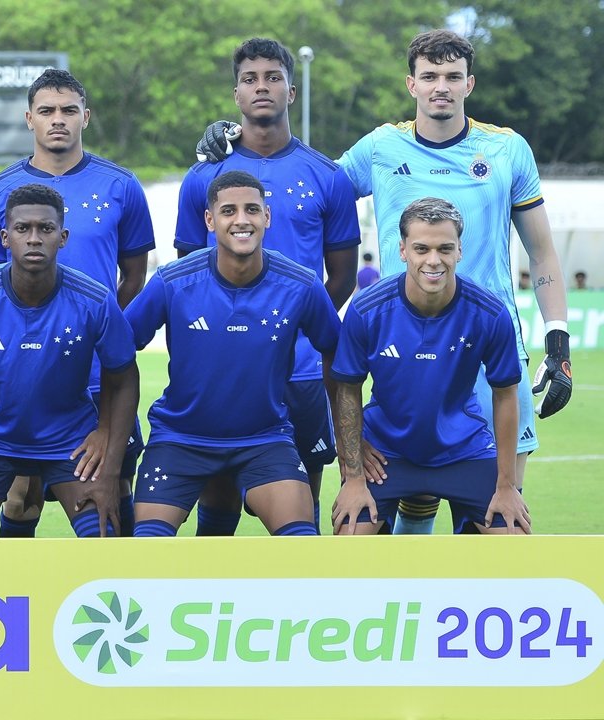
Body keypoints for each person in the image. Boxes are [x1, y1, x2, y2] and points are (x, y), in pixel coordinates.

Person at [195, 30, 572, 534]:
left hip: (487, 345)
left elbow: (542, 251)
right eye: (431, 76)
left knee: (500, 507)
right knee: (410, 505)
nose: (442, 86)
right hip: (402, 347)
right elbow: (307, 190)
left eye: (453, 77)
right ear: (411, 83)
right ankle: (408, 610)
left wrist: (558, 335)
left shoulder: (507, 150)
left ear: (470, 84)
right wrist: (240, 140)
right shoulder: (380, 146)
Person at [174, 38, 359, 536]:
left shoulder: (328, 176)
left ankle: (304, 602)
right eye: (251, 79)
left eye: (273, 77)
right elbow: (186, 271)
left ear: (291, 92)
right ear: (236, 94)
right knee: (218, 492)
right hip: (222, 365)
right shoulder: (202, 177)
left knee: (302, 496)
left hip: (298, 367)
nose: (262, 87)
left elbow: (341, 273)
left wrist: (298, 324)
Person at [0, 68, 154, 537]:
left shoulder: (121, 185)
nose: (59, 120)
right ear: (29, 118)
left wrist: (106, 340)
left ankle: (121, 597)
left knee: (111, 490)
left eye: (69, 110)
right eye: (48, 111)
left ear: (86, 117)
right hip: (25, 373)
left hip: (99, 378)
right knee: (21, 494)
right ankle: (17, 604)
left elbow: (133, 277)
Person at [124, 171, 340, 537]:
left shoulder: (301, 285)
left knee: (303, 546)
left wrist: (352, 450)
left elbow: (339, 355)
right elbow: (117, 351)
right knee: (147, 549)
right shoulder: (173, 282)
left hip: (265, 440)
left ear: (267, 217)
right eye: (229, 211)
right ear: (210, 220)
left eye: (252, 209)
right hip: (180, 439)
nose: (242, 220)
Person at [0, 183, 139, 538]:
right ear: (4, 237)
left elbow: (123, 378)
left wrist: (106, 455)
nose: (33, 238)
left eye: (45, 229)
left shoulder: (94, 299)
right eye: (22, 229)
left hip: (68, 441)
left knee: (104, 536)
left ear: (62, 237)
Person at [331, 197, 529, 535]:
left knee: (512, 538)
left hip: (463, 451)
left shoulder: (489, 313)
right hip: (385, 454)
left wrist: (508, 485)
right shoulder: (367, 310)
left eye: (445, 249)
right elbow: (347, 390)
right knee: (350, 535)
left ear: (459, 251)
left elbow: (506, 395)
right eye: (422, 248)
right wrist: (351, 475)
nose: (433, 260)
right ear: (403, 249)